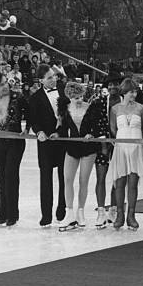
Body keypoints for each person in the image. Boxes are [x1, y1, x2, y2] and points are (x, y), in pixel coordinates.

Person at [56, 82, 106, 232]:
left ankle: (81, 212)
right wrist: (57, 134)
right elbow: (62, 127)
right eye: (75, 97)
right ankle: (69, 212)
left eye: (80, 96)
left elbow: (97, 127)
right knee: (67, 180)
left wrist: (92, 134)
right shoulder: (64, 109)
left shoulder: (91, 107)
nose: (78, 99)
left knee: (83, 181)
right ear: (69, 97)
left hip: (88, 148)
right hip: (72, 147)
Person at [0, 72, 29, 227]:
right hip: (1, 142)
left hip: (16, 142)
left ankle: (13, 215)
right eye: (1, 84)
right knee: (2, 178)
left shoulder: (18, 97)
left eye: (5, 83)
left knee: (11, 177)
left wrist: (27, 128)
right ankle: (3, 214)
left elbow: (29, 113)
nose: (6, 86)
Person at [28, 64, 67, 227]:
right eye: (50, 77)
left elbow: (69, 116)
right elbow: (33, 120)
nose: (54, 79)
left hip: (62, 140)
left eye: (54, 76)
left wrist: (60, 132)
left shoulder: (64, 91)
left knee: (64, 177)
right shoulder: (35, 97)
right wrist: (39, 132)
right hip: (45, 143)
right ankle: (46, 214)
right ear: (41, 80)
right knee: (46, 179)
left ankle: (62, 208)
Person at [108, 78, 143, 230]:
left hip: (136, 148)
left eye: (135, 91)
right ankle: (120, 214)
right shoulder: (115, 109)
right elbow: (113, 128)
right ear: (124, 92)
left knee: (133, 183)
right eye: (131, 91)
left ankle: (131, 215)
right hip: (121, 148)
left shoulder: (141, 108)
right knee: (120, 183)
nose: (134, 94)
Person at [90, 71, 123, 228]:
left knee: (117, 179)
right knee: (101, 177)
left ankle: (114, 210)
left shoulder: (126, 103)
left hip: (121, 146)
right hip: (103, 145)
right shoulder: (99, 102)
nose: (112, 87)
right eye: (110, 84)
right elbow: (94, 122)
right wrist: (101, 139)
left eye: (115, 84)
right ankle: (101, 211)